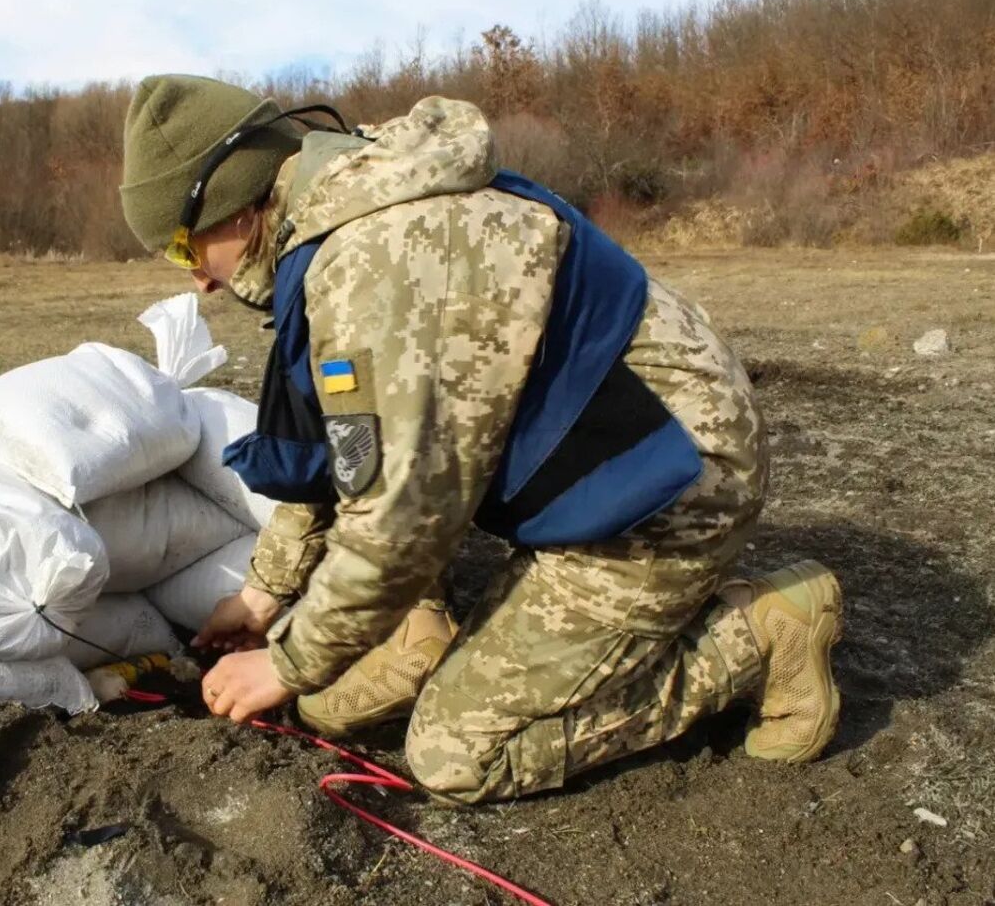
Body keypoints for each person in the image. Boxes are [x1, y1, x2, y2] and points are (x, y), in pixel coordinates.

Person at [117, 74, 844, 805]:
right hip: (611, 453)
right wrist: (263, 595)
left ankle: (761, 635)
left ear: (233, 205)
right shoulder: (348, 204)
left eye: (184, 247)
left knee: (457, 755)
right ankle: (422, 635)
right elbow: (349, 452)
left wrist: (288, 665)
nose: (199, 283)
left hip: (672, 484)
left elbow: (398, 517)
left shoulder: (369, 265)